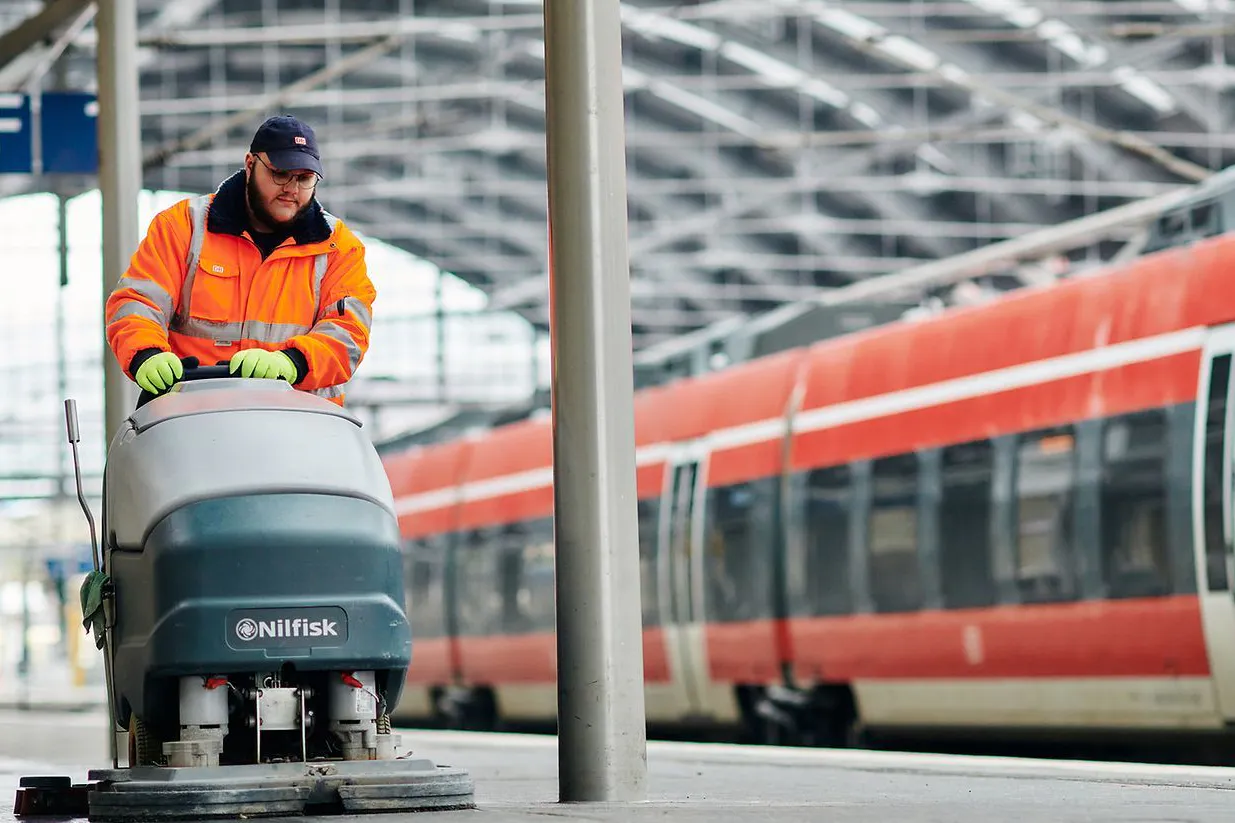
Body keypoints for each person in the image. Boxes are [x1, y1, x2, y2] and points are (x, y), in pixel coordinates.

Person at [104, 114, 373, 406]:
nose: (291, 188)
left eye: (304, 178)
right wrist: (146, 353)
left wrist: (293, 362)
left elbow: (348, 333)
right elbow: (139, 302)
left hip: (300, 421)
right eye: (280, 173)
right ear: (250, 164)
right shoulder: (183, 227)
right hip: (190, 417)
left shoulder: (339, 248)